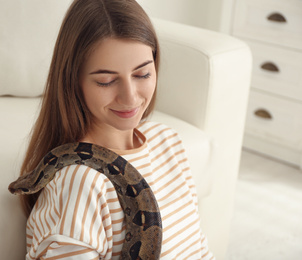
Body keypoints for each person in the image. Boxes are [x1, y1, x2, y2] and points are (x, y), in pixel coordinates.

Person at [18, 0, 214, 259]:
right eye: (106, 81)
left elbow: (199, 249)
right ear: (72, 82)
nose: (130, 98)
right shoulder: (80, 184)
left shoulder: (168, 141)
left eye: (142, 74)